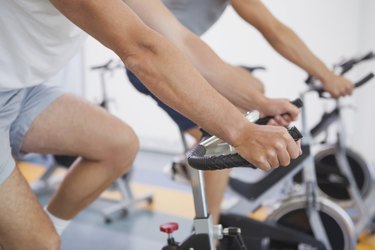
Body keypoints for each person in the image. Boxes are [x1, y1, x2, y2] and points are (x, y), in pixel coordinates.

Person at [0, 0, 301, 249]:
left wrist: (257, 102)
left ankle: (29, 237)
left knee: (118, 144)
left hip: (18, 90)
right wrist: (240, 131)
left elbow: (180, 38)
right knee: (39, 243)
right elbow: (141, 49)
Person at [124, 0, 354, 225]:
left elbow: (186, 42)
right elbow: (274, 30)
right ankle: (207, 232)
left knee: (255, 88)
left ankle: (193, 168)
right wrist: (326, 75)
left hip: (181, 54)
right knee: (223, 138)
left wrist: (262, 102)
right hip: (159, 61)